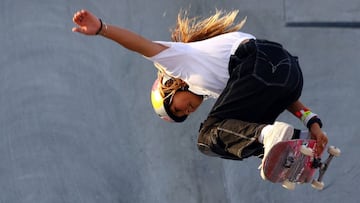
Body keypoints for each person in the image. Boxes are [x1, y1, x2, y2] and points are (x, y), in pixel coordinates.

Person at [72, 9, 328, 179]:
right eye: (182, 115)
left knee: (207, 138)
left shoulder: (179, 62)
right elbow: (283, 91)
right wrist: (311, 121)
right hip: (289, 72)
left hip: (254, 62)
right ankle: (299, 143)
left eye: (178, 107)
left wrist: (102, 29)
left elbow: (141, 44)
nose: (187, 111)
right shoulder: (219, 85)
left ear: (170, 87)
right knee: (242, 128)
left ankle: (271, 136)